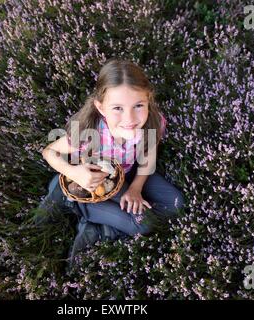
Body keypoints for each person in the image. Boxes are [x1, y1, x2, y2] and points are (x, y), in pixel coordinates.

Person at [39, 58, 185, 270]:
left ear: (148, 100)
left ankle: (97, 226)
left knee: (176, 204)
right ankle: (82, 206)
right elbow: (49, 151)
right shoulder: (89, 132)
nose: (130, 118)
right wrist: (75, 173)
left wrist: (136, 188)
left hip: (130, 171)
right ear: (101, 107)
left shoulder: (153, 121)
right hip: (101, 179)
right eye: (117, 108)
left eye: (138, 106)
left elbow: (148, 153)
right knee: (143, 225)